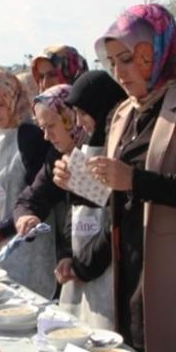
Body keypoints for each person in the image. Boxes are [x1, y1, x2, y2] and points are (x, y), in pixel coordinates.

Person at [78, 4, 176, 352]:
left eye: (128, 59)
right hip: (129, 266)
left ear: (157, 53)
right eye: (112, 62)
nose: (119, 72)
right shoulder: (123, 113)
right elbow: (116, 195)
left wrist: (134, 180)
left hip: (175, 266)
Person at [52, 71, 128, 329]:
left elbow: (118, 214)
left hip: (107, 271)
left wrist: (84, 265)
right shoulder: (83, 148)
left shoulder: (122, 150)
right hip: (79, 265)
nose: (79, 122)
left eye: (84, 114)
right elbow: (73, 210)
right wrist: (65, 255)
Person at [0, 69, 55, 297]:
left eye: (0, 105)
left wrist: (0, 230)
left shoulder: (30, 137)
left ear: (14, 99)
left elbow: (36, 197)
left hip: (26, 246)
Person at [11, 84, 89, 308]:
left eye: (51, 126)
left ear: (71, 118)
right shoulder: (57, 154)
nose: (46, 136)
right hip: (70, 265)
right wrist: (26, 216)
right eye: (42, 127)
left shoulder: (98, 152)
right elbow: (30, 197)